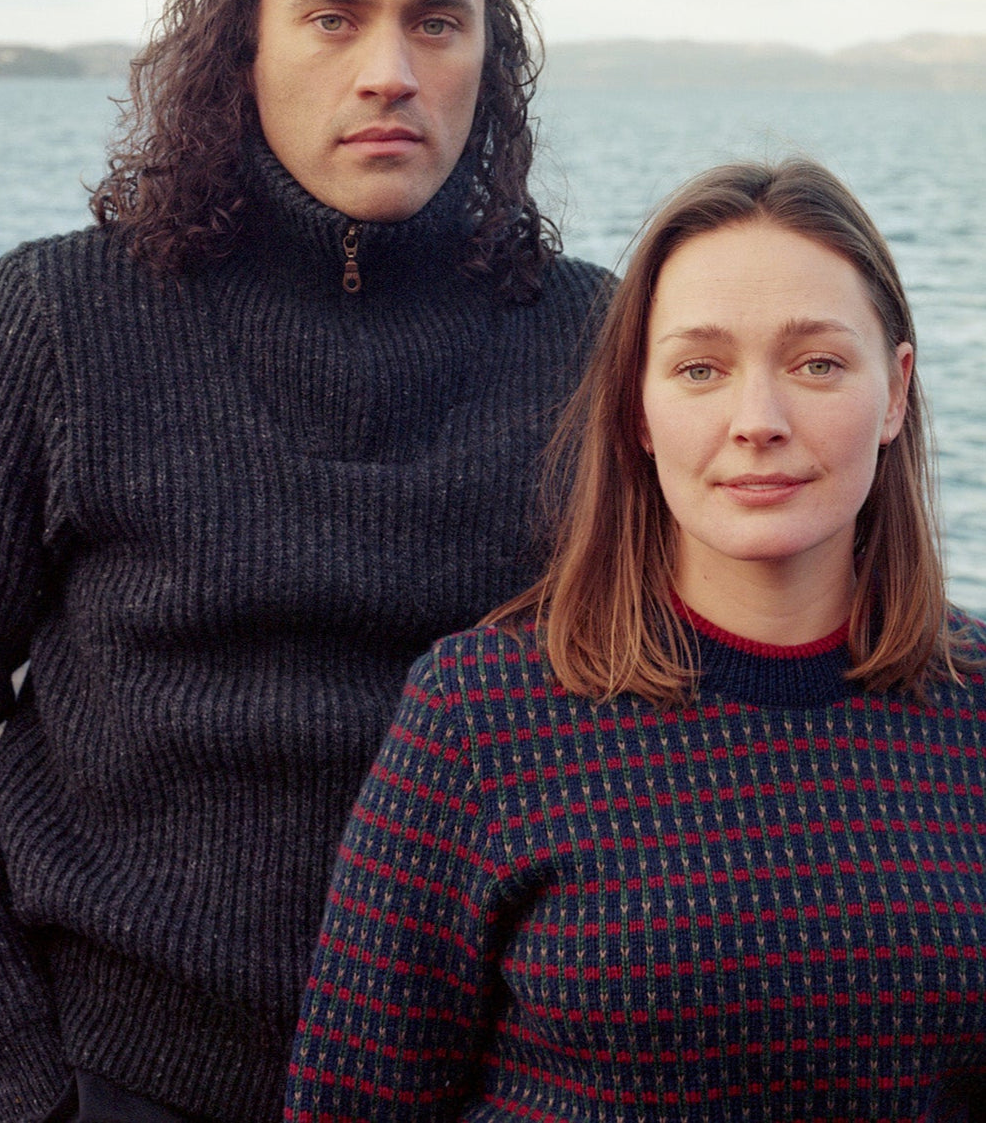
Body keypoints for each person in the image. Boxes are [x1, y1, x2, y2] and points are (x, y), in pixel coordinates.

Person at [0, 0, 607, 1123]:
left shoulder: (597, 343)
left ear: (488, 61)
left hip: (492, 1087)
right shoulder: (64, 317)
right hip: (130, 1079)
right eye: (334, 16)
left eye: (437, 22)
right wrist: (25, 1078)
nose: (388, 68)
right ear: (248, 46)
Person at [286, 158, 986, 1123]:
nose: (758, 422)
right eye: (701, 368)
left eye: (817, 363)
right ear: (638, 410)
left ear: (897, 390)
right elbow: (350, 1102)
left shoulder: (974, 705)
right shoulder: (479, 715)